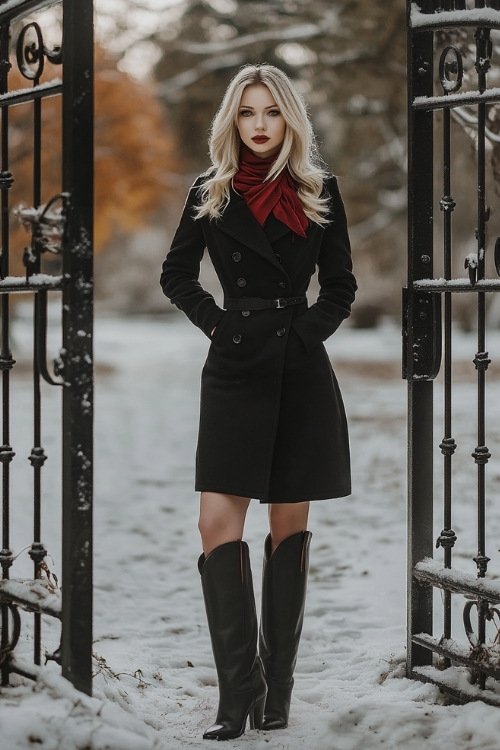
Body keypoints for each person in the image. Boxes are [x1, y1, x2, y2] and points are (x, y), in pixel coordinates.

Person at [160, 63, 356, 741]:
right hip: (235, 368)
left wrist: (303, 336)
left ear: (289, 118)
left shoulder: (317, 189)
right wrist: (218, 323)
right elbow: (175, 274)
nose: (261, 124)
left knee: (287, 529)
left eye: (272, 111)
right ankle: (236, 694)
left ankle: (279, 691)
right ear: (233, 122)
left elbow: (341, 287)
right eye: (248, 113)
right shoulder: (210, 192)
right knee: (216, 525)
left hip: (298, 369)